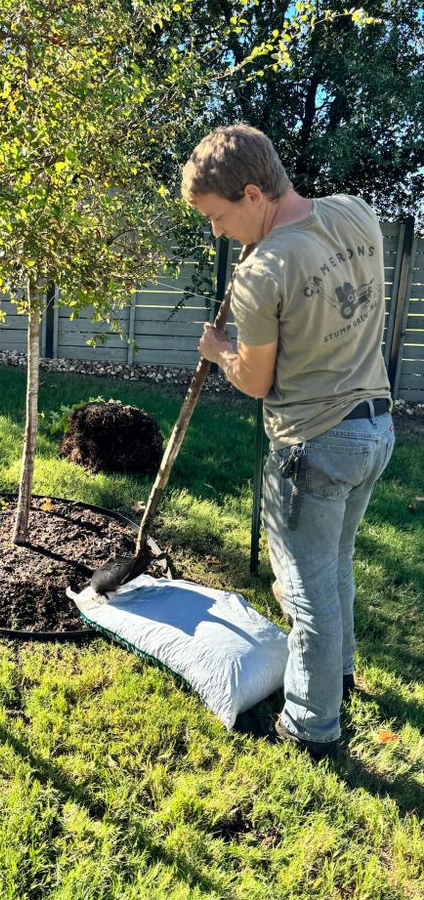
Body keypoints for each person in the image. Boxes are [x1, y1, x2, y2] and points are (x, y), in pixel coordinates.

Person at [181, 124, 395, 759]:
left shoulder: (262, 272)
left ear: (252, 194)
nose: (218, 233)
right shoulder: (356, 215)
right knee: (336, 568)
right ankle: (341, 673)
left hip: (314, 448)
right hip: (376, 429)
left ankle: (311, 724)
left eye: (219, 217)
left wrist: (220, 352)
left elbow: (255, 380)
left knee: (307, 597)